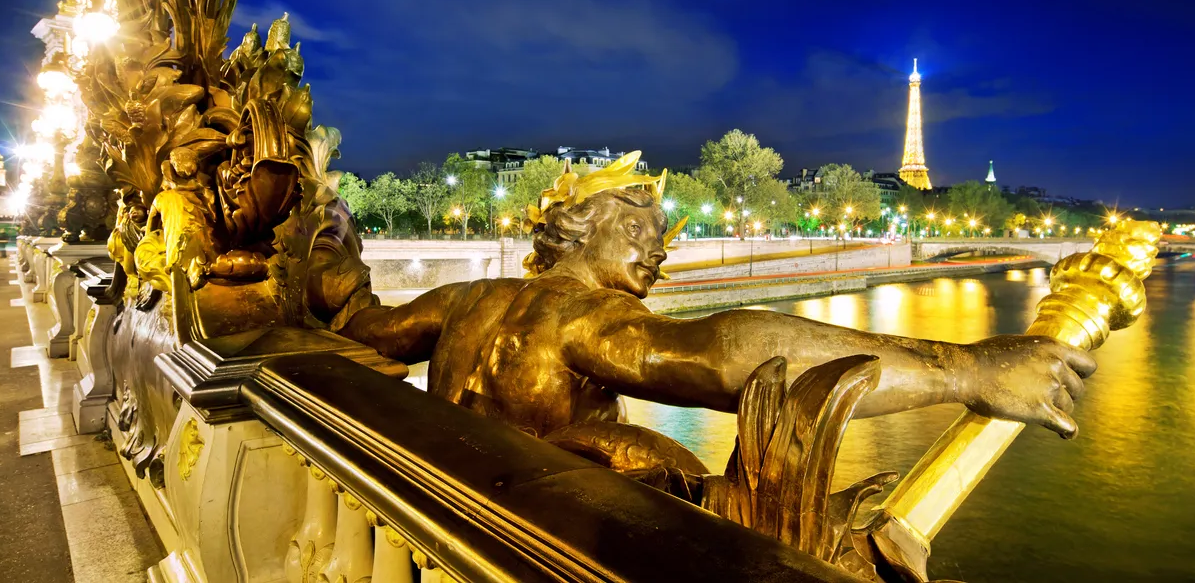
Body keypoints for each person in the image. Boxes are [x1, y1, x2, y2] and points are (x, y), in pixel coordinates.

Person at [340, 153, 1094, 446]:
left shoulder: (466, 297)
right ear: (574, 234)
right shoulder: (584, 316)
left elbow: (365, 327)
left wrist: (331, 249)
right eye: (635, 227)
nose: (657, 246)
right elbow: (724, 355)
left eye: (662, 231)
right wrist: (963, 369)